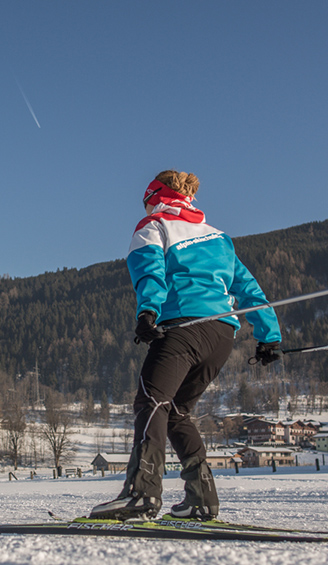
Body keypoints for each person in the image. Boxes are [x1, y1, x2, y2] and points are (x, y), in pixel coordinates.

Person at [90, 170, 282, 521]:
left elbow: (150, 272)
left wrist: (148, 312)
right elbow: (249, 289)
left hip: (184, 328)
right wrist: (269, 336)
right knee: (177, 412)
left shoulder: (154, 226)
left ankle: (142, 494)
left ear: (155, 196)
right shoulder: (218, 237)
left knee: (152, 402)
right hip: (222, 334)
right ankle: (201, 498)